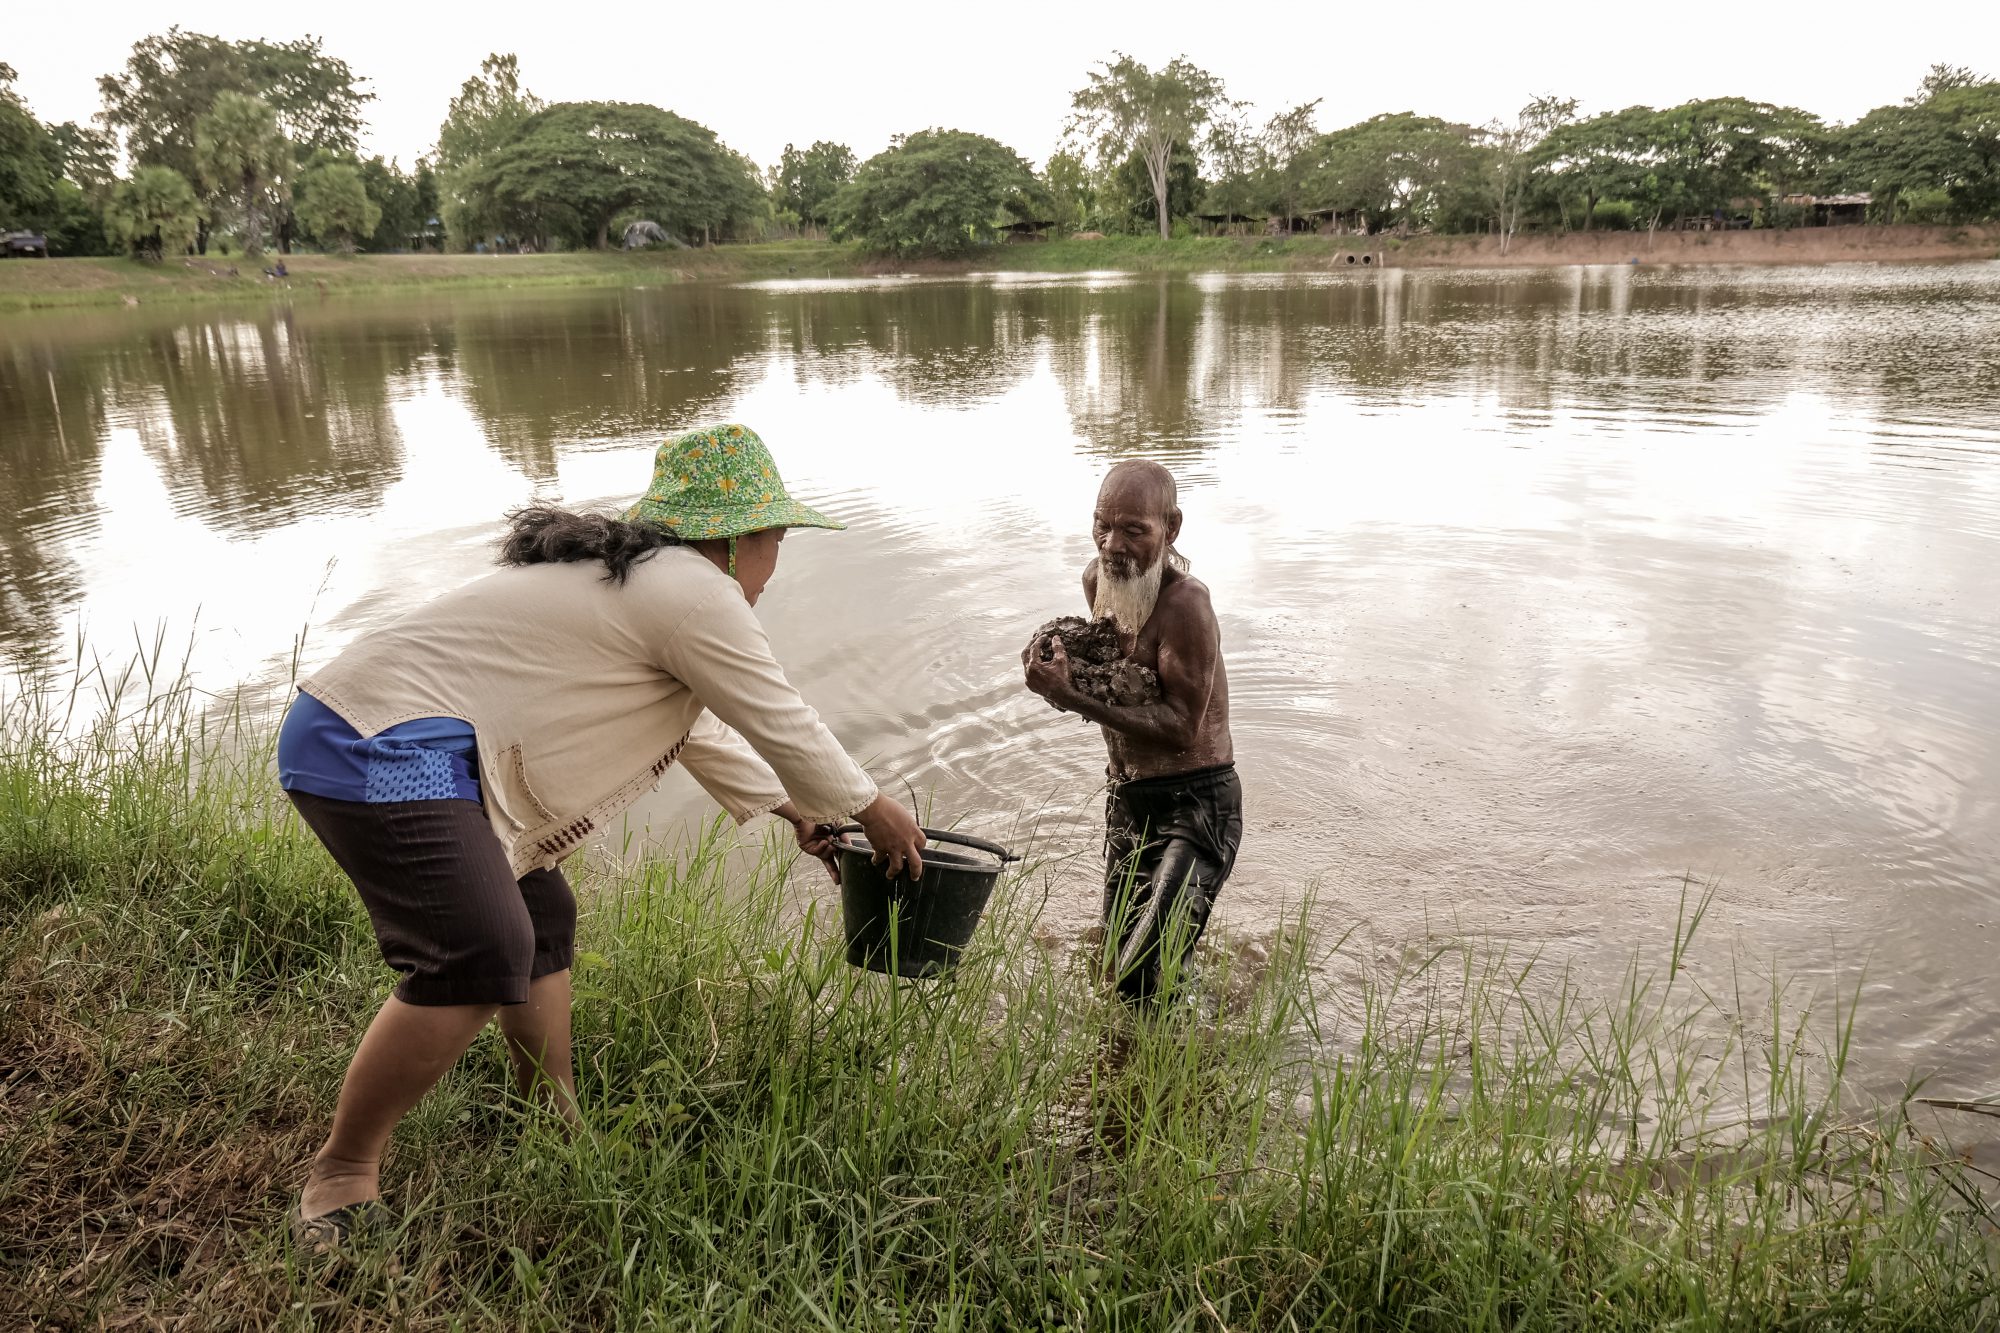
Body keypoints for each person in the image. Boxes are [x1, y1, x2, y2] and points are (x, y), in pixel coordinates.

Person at [275, 423, 926, 1249]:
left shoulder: (646, 581)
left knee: (539, 914)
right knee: (479, 945)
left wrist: (798, 811)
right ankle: (341, 1173)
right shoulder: (693, 591)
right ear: (739, 538)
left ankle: (549, 1116)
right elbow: (781, 718)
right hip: (373, 743)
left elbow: (693, 727)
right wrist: (872, 808)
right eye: (776, 543)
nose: (772, 570)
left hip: (400, 741)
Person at [1023, 460, 1240, 1004]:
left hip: (1197, 803)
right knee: (1114, 960)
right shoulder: (1097, 578)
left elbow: (1182, 727)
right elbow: (1112, 674)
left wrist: (1069, 698)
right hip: (1129, 799)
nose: (1112, 544)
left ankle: (1177, 1072)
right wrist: (1056, 666)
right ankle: (1160, 1052)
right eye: (1102, 525)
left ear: (1172, 528)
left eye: (1134, 530)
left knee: (1141, 975)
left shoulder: (1187, 603)